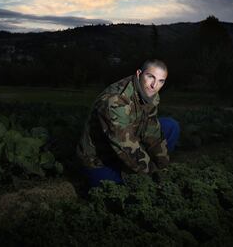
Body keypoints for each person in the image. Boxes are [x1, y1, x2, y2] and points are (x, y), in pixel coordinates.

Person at [77, 59, 180, 187]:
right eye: (150, 77)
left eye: (161, 81)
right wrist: (151, 174)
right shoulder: (116, 101)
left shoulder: (151, 93)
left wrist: (162, 166)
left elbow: (152, 131)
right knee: (118, 191)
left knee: (170, 126)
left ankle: (138, 171)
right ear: (139, 74)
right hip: (101, 160)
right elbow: (126, 146)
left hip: (129, 143)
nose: (154, 85)